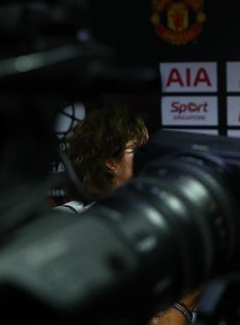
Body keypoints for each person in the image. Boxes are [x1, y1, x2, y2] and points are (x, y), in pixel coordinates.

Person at [54, 104, 201, 324]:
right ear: (111, 162)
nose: (149, 157)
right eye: (138, 150)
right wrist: (180, 308)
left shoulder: (162, 218)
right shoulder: (72, 225)